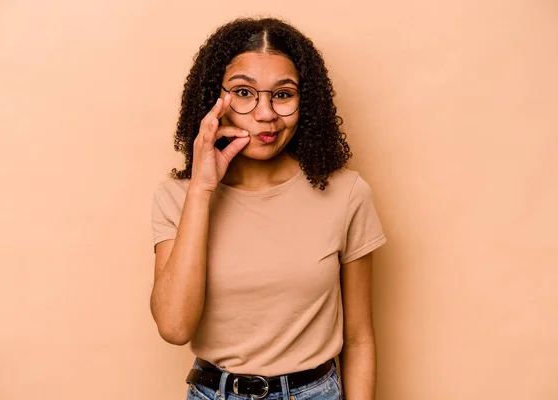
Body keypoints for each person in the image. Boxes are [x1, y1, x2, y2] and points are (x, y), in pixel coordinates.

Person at [150, 17, 387, 400]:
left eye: (282, 94)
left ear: (305, 101)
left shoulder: (347, 193)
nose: (265, 114)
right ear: (215, 99)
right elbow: (175, 328)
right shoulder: (178, 197)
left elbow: (359, 339)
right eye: (244, 93)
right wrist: (202, 189)